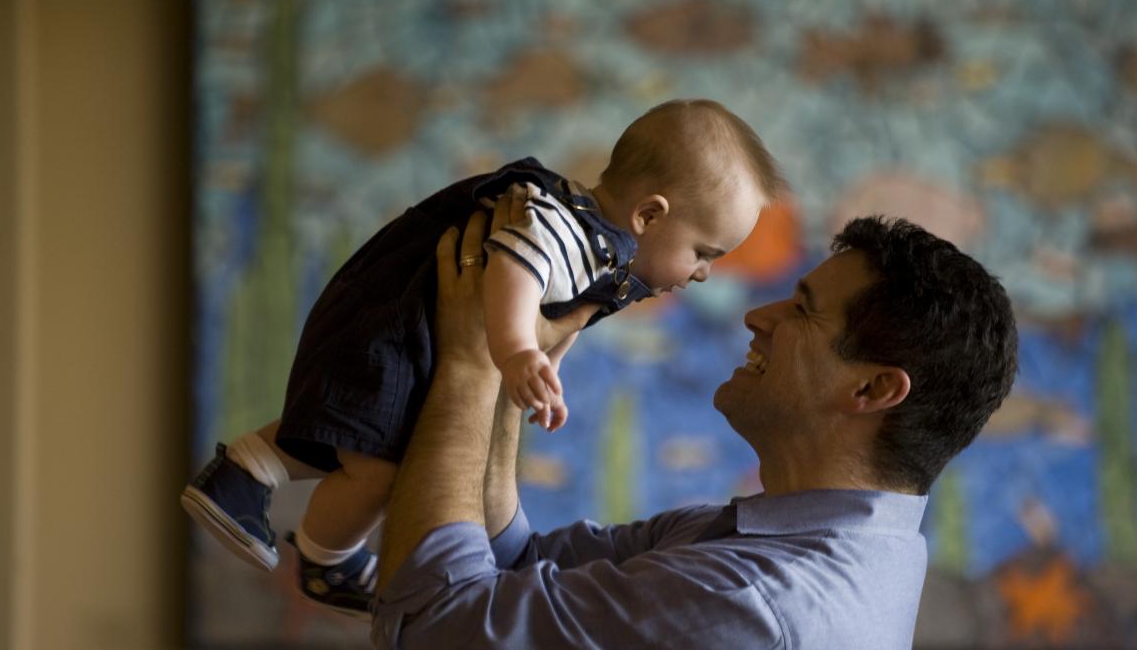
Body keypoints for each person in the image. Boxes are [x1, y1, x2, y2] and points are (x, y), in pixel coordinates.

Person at [180, 99, 785, 614]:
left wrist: (545, 358)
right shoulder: (562, 224)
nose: (705, 273)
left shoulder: (600, 248)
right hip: (392, 330)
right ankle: (325, 561)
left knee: (353, 431)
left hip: (400, 332)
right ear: (649, 214)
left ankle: (245, 471)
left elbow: (560, 315)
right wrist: (519, 351)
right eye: (705, 252)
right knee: (380, 466)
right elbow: (517, 266)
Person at [371, 210, 1019, 649]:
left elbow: (428, 624)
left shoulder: (748, 601)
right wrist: (514, 369)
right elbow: (514, 566)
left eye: (801, 311)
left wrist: (467, 362)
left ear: (873, 389)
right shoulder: (757, 538)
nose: (756, 317)